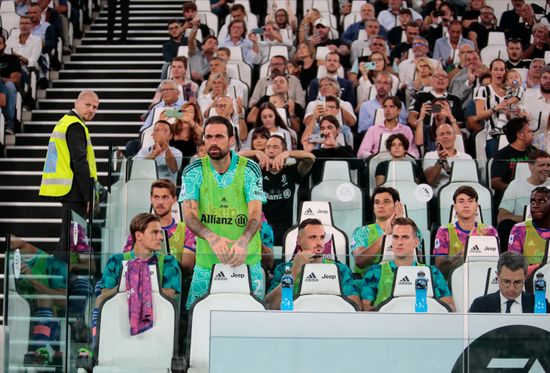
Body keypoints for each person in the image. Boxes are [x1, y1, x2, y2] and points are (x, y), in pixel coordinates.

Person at [180, 116, 266, 310]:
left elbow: (255, 214)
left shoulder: (250, 170)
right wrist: (211, 237)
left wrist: (243, 241)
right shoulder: (193, 171)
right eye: (209, 137)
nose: (213, 142)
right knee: (195, 318)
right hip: (206, 262)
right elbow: (190, 216)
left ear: (232, 140)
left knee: (252, 319)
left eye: (219, 136)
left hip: (247, 260)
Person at [39, 90, 99, 253]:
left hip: (70, 188)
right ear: (76, 103)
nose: (91, 110)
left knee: (68, 239)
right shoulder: (75, 125)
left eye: (95, 107)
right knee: (72, 240)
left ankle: (60, 273)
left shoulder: (66, 122)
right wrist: (89, 196)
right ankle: (63, 275)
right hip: (75, 189)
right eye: (88, 105)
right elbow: (80, 163)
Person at [360, 217, 454, 311]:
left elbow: (449, 306)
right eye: (396, 237)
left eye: (405, 237)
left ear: (416, 242)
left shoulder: (432, 273)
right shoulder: (375, 272)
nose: (399, 242)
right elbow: (365, 307)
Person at [264, 218, 361, 310]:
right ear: (299, 241)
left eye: (322, 237)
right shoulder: (284, 269)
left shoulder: (339, 269)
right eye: (313, 237)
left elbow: (355, 306)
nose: (319, 243)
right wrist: (294, 271)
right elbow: (272, 306)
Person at [9, 235, 67, 364]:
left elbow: (64, 301)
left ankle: (40, 351)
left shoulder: (51, 260)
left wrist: (34, 281)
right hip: (18, 315)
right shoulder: (8, 257)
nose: (9, 237)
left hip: (49, 318)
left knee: (44, 297)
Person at [122, 179, 196, 277]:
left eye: (165, 197)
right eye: (156, 197)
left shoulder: (186, 231)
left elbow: (187, 268)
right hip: (142, 284)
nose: (160, 202)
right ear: (151, 199)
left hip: (174, 286)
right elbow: (126, 261)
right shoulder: (139, 227)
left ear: (174, 199)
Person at [251, 135, 315, 245]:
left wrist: (288, 154)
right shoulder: (256, 171)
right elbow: (234, 157)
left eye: (276, 147)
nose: (271, 150)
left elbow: (311, 158)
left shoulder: (292, 170)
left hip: (287, 228)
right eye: (268, 147)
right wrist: (256, 152)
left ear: (283, 151)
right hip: (261, 227)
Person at [434, 186, 499, 279]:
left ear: (476, 206)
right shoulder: (444, 231)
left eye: (470, 201)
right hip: (454, 279)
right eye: (461, 201)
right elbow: (440, 266)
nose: (466, 205)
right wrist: (467, 249)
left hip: (482, 277)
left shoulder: (489, 231)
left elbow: (496, 264)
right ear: (455, 207)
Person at [469, 251, 550, 313]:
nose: (511, 288)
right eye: (506, 282)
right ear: (497, 276)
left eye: (517, 282)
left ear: (525, 277)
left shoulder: (540, 305)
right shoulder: (480, 306)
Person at [498, 150, 550, 230]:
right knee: (505, 225)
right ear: (530, 166)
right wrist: (529, 219)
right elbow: (502, 217)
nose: (546, 169)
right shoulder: (515, 186)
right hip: (522, 230)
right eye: (542, 165)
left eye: (548, 165)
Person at [491, 117, 536, 204]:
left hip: (533, 196)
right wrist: (515, 191)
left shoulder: (534, 152)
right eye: (529, 131)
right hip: (509, 199)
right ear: (520, 135)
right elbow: (495, 182)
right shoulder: (502, 155)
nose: (533, 133)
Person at [508, 187, 550, 273]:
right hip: (528, 283)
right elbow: (513, 267)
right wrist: (543, 267)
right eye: (532, 201)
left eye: (541, 201)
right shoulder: (519, 230)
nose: (535, 205)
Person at [134, 120, 183, 184]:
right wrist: (155, 153)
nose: (160, 133)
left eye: (164, 130)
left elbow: (174, 169)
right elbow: (136, 169)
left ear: (170, 136)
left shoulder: (176, 152)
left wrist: (164, 145)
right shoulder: (144, 151)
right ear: (152, 134)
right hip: (146, 187)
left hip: (167, 189)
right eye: (157, 130)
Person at [0, 35, 22, 135]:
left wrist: (1, 80)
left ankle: (10, 124)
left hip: (5, 86)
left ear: (5, 45)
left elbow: (15, 80)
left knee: (10, 86)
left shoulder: (12, 59)